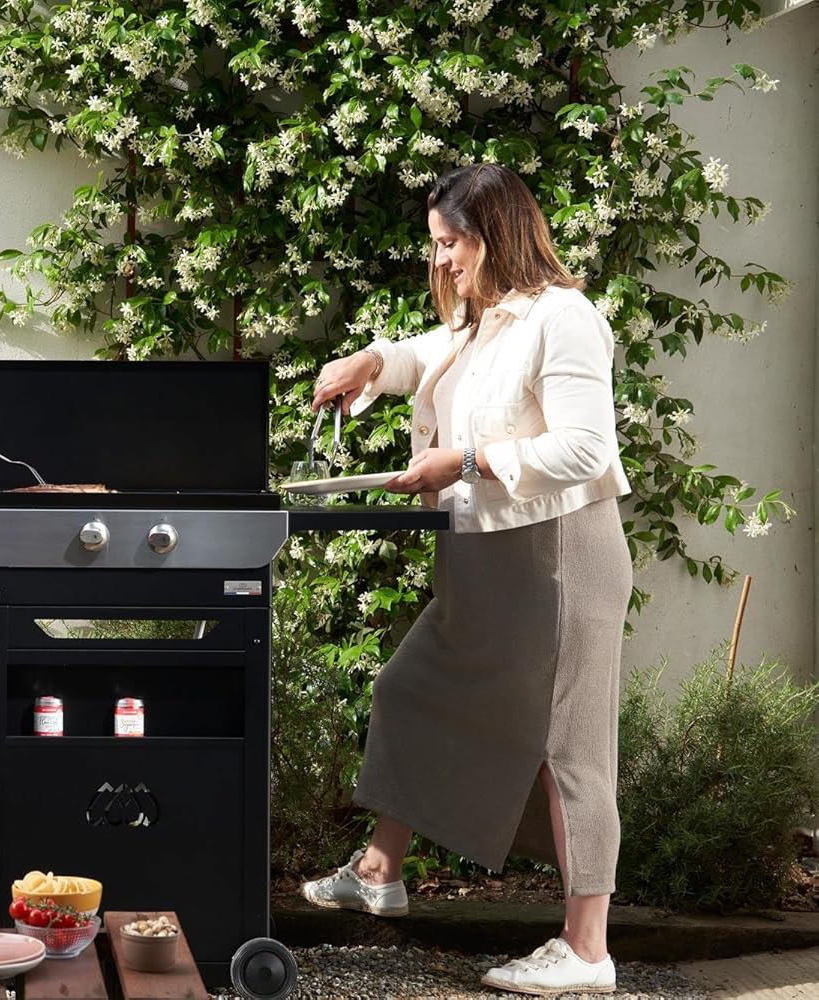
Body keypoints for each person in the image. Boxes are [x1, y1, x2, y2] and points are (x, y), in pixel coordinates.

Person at [301, 163, 632, 997]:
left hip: (557, 556)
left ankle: (587, 951)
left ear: (495, 234)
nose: (441, 260)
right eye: (437, 244)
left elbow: (586, 448)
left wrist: (467, 460)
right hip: (481, 554)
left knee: (568, 751)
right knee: (411, 689)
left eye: (451, 243)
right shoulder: (485, 319)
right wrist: (369, 360)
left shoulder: (564, 317)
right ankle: (380, 870)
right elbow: (428, 353)